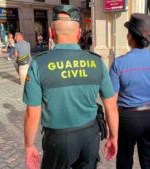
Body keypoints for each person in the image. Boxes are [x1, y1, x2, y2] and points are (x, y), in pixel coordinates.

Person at [23, 5, 118, 169]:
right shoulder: (96, 62)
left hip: (58, 140)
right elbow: (111, 105)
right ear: (80, 33)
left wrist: (29, 145)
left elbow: (32, 112)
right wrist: (113, 137)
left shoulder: (39, 63)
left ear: (52, 33)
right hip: (89, 136)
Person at [109, 14, 150, 169]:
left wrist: (112, 132)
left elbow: (111, 102)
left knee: (124, 161)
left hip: (128, 118)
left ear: (130, 37)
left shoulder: (119, 63)